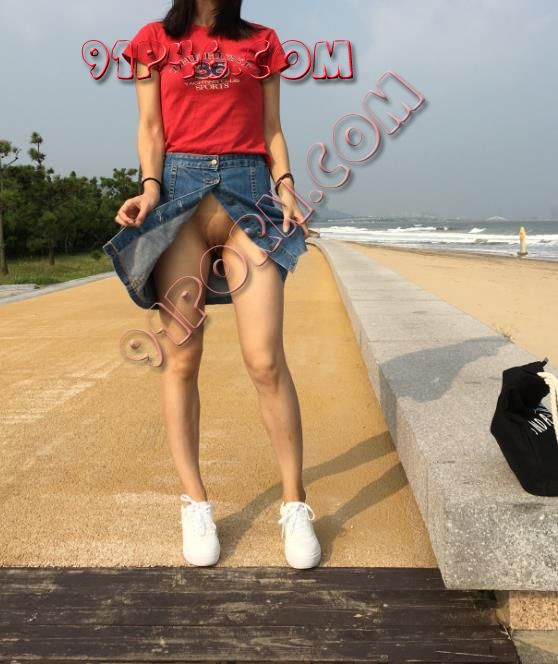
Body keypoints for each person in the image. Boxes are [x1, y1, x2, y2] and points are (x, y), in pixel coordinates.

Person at [102, 0, 322, 569]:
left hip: (252, 195)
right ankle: (195, 502)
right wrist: (150, 189)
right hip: (180, 196)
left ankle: (295, 503)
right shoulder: (153, 41)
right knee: (182, 355)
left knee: (265, 359)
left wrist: (287, 186)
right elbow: (151, 127)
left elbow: (272, 128)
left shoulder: (262, 41)